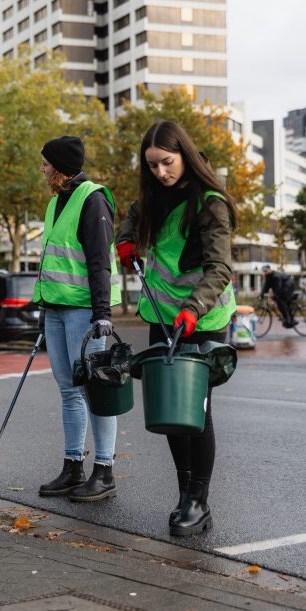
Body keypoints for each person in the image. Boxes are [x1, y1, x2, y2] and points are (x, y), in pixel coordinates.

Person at [116, 119, 237, 536]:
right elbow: (131, 216)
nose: (161, 173)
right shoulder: (155, 193)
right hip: (164, 313)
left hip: (201, 317)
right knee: (170, 411)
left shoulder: (210, 201)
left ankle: (199, 502)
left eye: (167, 163)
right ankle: (185, 493)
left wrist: (193, 309)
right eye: (152, 166)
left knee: (195, 412)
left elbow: (219, 267)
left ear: (183, 154)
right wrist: (126, 239)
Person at [33, 135, 122, 503]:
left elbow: (99, 261)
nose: (41, 168)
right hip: (56, 309)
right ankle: (74, 467)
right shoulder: (56, 203)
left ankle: (104, 471)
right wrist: (43, 305)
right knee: (69, 389)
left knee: (94, 389)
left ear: (60, 167)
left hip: (85, 312)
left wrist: (103, 314)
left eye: (45, 163)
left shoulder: (93, 199)